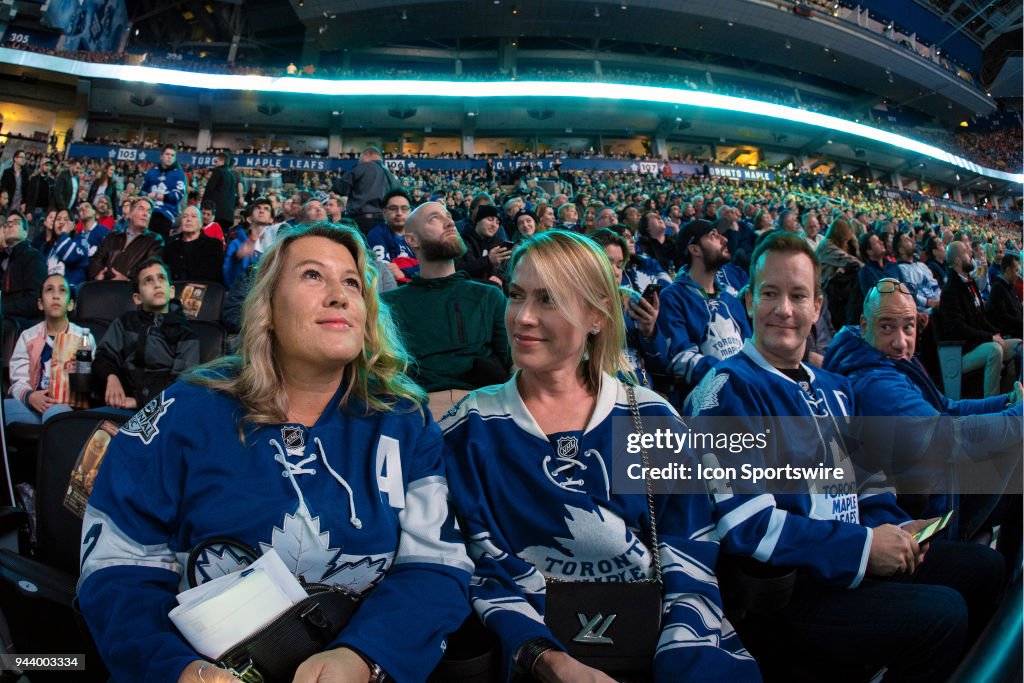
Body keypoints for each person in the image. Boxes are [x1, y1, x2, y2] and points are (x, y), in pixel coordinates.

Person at [79, 222, 472, 683]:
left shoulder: (406, 419)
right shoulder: (184, 411)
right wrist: (174, 668)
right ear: (267, 306)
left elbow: (436, 565)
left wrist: (366, 656)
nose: (339, 295)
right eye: (312, 276)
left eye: (351, 282)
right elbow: (118, 564)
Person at [440, 230, 760, 682]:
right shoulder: (469, 428)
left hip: (658, 648)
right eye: (516, 295)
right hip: (526, 659)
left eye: (548, 300)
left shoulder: (650, 418)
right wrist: (545, 659)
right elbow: (480, 566)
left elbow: (688, 552)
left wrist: (680, 661)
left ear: (596, 316)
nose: (523, 317)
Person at [685, 232, 991, 681]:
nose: (784, 309)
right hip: (800, 588)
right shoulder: (728, 390)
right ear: (749, 301)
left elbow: (865, 480)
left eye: (798, 295)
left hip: (854, 559)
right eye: (770, 294)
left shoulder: (834, 387)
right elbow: (748, 526)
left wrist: (896, 525)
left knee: (984, 569)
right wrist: (866, 549)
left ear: (817, 307)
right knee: (944, 615)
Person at [824, 278, 1021, 573]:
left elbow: (947, 406)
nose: (901, 341)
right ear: (864, 326)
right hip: (926, 507)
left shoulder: (883, 358)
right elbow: (951, 438)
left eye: (908, 327)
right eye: (886, 327)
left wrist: (1006, 403)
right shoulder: (876, 384)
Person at [383, 201, 510, 417]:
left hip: (485, 411)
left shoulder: (489, 296)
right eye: (435, 218)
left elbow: (512, 364)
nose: (450, 222)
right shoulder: (388, 305)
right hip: (415, 412)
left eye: (448, 216)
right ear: (412, 240)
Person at [657, 219, 749, 404]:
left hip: (747, 389)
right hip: (708, 400)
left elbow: (750, 345)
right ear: (695, 249)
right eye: (713, 235)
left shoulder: (730, 298)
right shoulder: (673, 297)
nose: (724, 239)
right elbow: (679, 359)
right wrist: (732, 372)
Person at [93, 258, 199, 410]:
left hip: (162, 411)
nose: (157, 284)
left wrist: (138, 402)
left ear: (172, 292)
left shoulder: (185, 334)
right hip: (118, 404)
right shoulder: (124, 323)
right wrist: (111, 377)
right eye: (148, 281)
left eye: (161, 278)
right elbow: (104, 356)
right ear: (137, 298)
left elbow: (182, 381)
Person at [4, 274, 94, 425]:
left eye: (62, 291)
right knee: (5, 408)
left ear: (70, 304)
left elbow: (90, 382)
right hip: (35, 403)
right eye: (49, 290)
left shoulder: (83, 338)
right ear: (40, 303)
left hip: (66, 407)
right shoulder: (28, 336)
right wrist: (30, 396)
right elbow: (18, 379)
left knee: (55, 414)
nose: (56, 296)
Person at [937, 240, 1021, 398]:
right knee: (994, 350)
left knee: (1019, 346)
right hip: (962, 351)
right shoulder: (951, 290)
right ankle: (992, 403)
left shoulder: (969, 283)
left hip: (978, 343)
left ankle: (1011, 394)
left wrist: (996, 334)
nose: (970, 254)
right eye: (966, 252)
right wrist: (990, 337)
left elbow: (981, 319)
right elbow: (959, 328)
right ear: (957, 261)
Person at [591, 228, 667, 389]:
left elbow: (659, 363)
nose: (616, 271)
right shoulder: (572, 307)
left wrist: (649, 332)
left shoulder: (630, 300)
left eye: (619, 265)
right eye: (607, 262)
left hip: (641, 390)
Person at [89, 197, 165, 281]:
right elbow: (96, 259)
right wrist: (97, 274)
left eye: (149, 211)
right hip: (104, 285)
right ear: (130, 214)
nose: (145, 214)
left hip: (131, 290)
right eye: (141, 209)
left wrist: (128, 280)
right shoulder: (112, 237)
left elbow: (150, 268)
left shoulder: (155, 240)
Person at [335, 146, 400, 233]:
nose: (359, 161)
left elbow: (339, 187)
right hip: (383, 223)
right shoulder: (391, 176)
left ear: (367, 155)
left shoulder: (363, 167)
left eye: (360, 157)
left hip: (358, 222)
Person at [2, 211, 47, 328]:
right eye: (7, 224)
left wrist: (2, 308)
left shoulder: (33, 256)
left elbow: (35, 301)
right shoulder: (5, 259)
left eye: (16, 222)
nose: (10, 225)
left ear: (26, 233)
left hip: (23, 322)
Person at [367, 189, 417, 283]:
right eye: (393, 208)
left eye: (404, 208)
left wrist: (404, 272)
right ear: (384, 211)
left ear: (410, 211)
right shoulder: (377, 234)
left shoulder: (418, 235)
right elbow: (384, 271)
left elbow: (431, 266)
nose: (399, 213)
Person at [164, 205, 225, 282]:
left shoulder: (214, 245)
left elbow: (215, 276)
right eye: (185, 216)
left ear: (200, 223)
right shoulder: (170, 244)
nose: (188, 219)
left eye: (193, 216)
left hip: (203, 290)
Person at [141, 144, 187, 242]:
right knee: (142, 242)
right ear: (161, 156)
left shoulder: (179, 174)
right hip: (148, 212)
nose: (169, 157)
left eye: (172, 155)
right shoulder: (152, 171)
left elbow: (177, 195)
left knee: (158, 245)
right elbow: (143, 191)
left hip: (166, 214)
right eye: (167, 154)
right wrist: (146, 197)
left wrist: (157, 196)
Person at [45, 208, 89, 286]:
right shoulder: (48, 246)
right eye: (58, 219)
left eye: (66, 220)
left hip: (72, 291)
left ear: (73, 225)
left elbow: (70, 256)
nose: (61, 222)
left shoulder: (81, 240)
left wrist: (64, 233)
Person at [200, 152, 240, 229]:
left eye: (216, 161)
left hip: (217, 214)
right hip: (228, 215)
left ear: (222, 161)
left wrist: (203, 207)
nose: (215, 163)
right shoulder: (232, 175)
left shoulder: (218, 172)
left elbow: (209, 190)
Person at [986, 253, 1023, 338]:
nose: (1018, 275)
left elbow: (1018, 308)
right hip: (1009, 334)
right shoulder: (998, 288)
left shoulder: (1009, 286)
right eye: (1016, 270)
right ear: (1008, 270)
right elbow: (1003, 318)